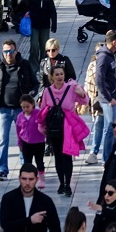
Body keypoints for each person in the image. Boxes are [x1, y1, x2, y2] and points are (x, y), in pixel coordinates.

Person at [0, 39, 38, 182]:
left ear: (16, 51)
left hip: (21, 110)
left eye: (11, 51)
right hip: (3, 109)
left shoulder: (25, 65)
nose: (9, 54)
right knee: (2, 139)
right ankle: (2, 169)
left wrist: (31, 95)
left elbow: (35, 83)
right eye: (6, 51)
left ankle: (25, 167)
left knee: (23, 139)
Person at [38, 66, 89, 196]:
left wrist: (81, 92)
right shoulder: (47, 91)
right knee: (58, 156)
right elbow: (43, 109)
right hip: (54, 128)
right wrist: (42, 127)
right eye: (57, 74)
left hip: (68, 127)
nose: (60, 76)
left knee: (67, 156)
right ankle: (61, 183)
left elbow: (85, 101)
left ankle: (68, 184)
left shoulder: (71, 88)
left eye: (61, 74)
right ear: (52, 77)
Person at [0, 164, 60, 232]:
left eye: (31, 179)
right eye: (24, 179)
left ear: (37, 179)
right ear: (19, 178)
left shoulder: (45, 201)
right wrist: (29, 220)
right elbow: (4, 227)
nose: (27, 183)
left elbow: (56, 231)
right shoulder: (8, 199)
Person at [95, 31, 116, 163]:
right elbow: (99, 80)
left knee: (114, 127)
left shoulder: (114, 55)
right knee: (110, 128)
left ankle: (112, 155)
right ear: (114, 42)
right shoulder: (103, 57)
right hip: (109, 100)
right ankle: (106, 159)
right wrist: (108, 98)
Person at [26, 0, 57, 71]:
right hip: (35, 25)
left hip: (45, 26)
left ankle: (43, 64)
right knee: (34, 46)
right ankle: (33, 65)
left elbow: (52, 11)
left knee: (44, 46)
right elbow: (28, 8)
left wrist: (54, 25)